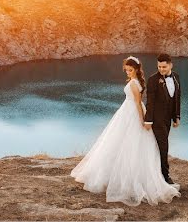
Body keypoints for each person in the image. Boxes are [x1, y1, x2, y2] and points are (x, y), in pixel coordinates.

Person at [70, 56, 181, 206]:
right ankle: (155, 174)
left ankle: (152, 174)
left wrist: (152, 119)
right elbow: (146, 100)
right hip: (131, 113)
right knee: (124, 142)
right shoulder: (145, 80)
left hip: (136, 113)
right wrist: (146, 119)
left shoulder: (141, 82)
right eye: (126, 70)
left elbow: (141, 102)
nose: (127, 72)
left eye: (130, 70)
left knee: (132, 142)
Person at [143, 53, 181, 184]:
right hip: (157, 119)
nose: (161, 69)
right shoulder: (153, 80)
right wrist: (148, 120)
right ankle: (165, 175)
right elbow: (150, 102)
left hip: (168, 119)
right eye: (159, 66)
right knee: (163, 146)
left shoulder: (176, 77)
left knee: (161, 145)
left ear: (170, 65)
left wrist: (177, 116)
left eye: (164, 67)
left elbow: (177, 98)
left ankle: (156, 172)